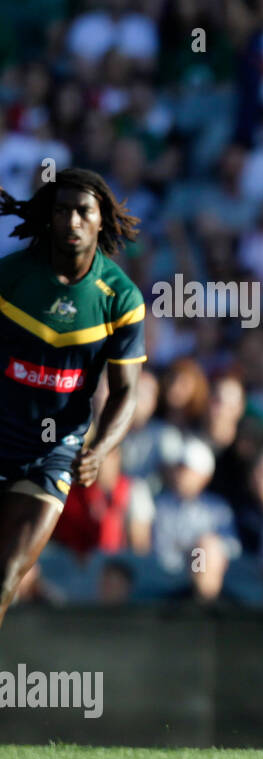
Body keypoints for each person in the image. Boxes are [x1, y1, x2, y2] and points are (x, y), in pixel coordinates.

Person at [0, 169, 145, 630]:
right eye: (62, 209)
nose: (72, 220)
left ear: (102, 219)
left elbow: (126, 394)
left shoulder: (120, 299)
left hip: (51, 454)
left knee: (4, 579)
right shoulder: (11, 277)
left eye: (84, 210)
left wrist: (101, 448)